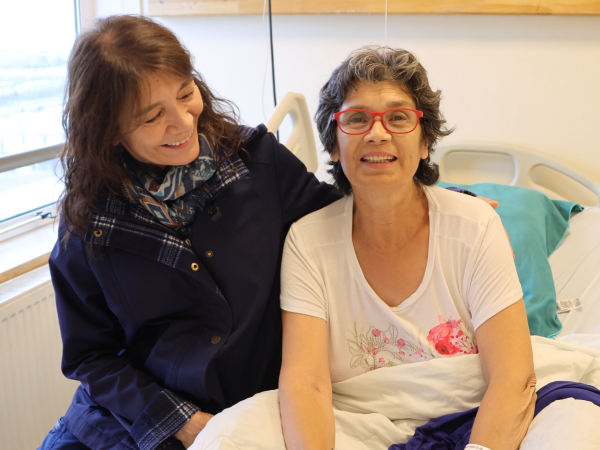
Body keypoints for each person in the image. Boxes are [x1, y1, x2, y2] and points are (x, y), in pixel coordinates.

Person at [38, 16, 499, 450]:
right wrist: (182, 422)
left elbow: (342, 211)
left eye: (185, 93)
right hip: (134, 419)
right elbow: (91, 357)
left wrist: (443, 204)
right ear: (109, 130)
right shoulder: (89, 224)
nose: (182, 121)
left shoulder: (254, 161)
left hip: (246, 414)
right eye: (152, 116)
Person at [279, 46, 536, 450]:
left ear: (424, 142)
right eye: (356, 119)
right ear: (334, 145)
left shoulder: (474, 227)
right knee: (236, 430)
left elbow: (512, 377)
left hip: (475, 418)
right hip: (357, 426)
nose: (377, 133)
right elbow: (306, 382)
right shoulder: (308, 242)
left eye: (398, 118)